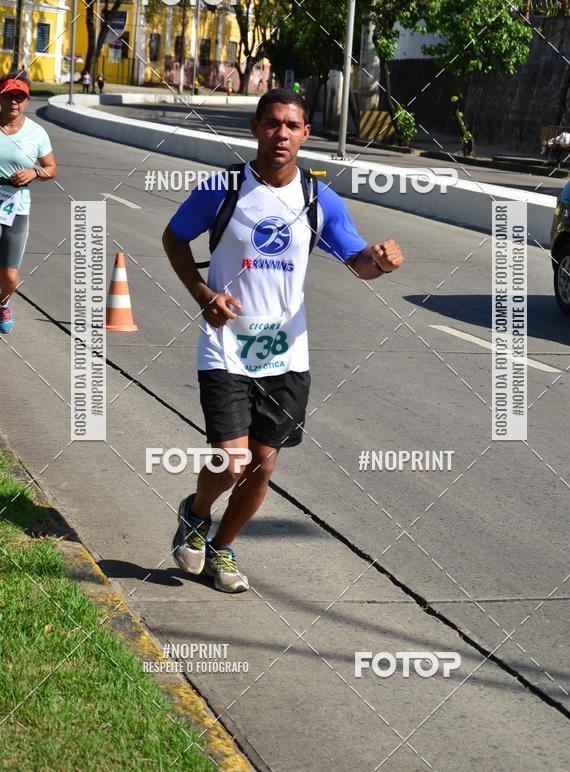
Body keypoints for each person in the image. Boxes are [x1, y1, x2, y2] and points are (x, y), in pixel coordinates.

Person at [162, 88, 403, 593]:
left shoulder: (318, 198)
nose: (282, 134)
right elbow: (174, 236)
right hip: (226, 344)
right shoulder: (225, 187)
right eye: (272, 123)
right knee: (232, 459)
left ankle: (221, 550)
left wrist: (378, 262)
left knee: (264, 463)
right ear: (255, 128)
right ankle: (196, 512)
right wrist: (203, 291)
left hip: (287, 351)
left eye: (292, 126)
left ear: (305, 135)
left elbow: (356, 262)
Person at [0, 75, 57, 333]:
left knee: (10, 275)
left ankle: (3, 301)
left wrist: (34, 173)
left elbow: (51, 168)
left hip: (17, 207)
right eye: (9, 95)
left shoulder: (36, 133)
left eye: (19, 96)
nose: (14, 101)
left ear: (26, 100)